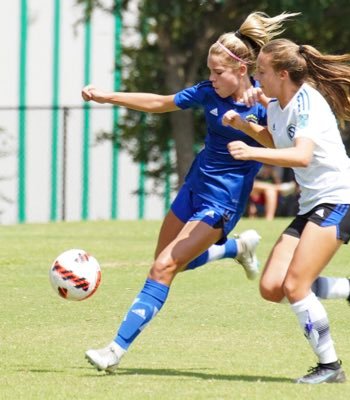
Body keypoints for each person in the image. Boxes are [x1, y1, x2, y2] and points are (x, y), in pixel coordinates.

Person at [81, 11, 299, 373]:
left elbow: (283, 146)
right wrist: (108, 96)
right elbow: (160, 103)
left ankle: (114, 351)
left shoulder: (266, 104)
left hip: (222, 202)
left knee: (163, 266)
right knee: (171, 262)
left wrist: (248, 123)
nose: (211, 79)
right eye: (210, 71)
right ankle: (237, 248)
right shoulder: (206, 92)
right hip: (194, 189)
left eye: (218, 73)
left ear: (241, 70)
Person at [224, 38, 350, 383]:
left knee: (295, 285)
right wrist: (245, 127)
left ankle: (330, 367)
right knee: (272, 286)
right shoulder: (279, 103)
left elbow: (301, 155)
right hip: (314, 205)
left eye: (261, 71)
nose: (256, 78)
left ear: (282, 73)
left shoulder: (307, 101)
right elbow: (277, 140)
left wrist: (251, 153)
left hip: (340, 201)